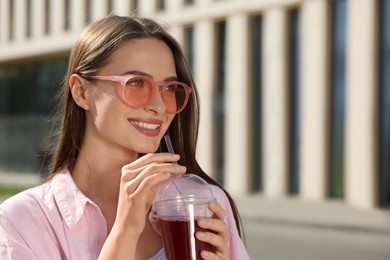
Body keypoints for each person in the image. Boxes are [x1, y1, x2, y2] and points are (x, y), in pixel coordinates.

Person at [0, 15, 250, 260]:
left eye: (169, 89)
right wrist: (125, 231)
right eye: (137, 83)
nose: (159, 106)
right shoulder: (21, 223)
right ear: (81, 91)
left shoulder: (206, 204)